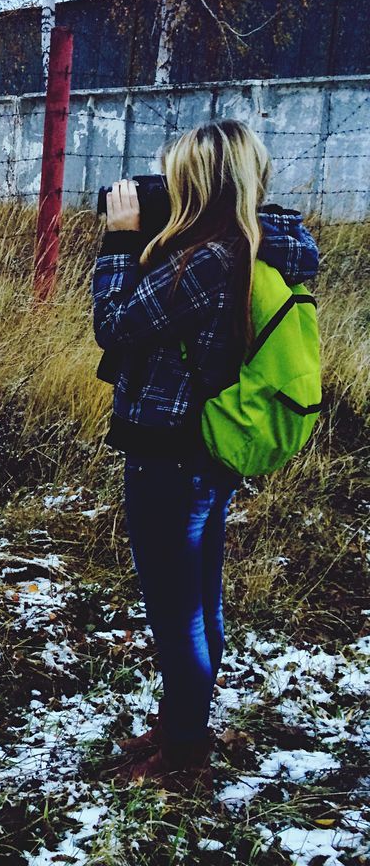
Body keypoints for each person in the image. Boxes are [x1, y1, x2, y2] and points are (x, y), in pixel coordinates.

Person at [91, 118, 319, 790]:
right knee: (198, 597)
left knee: (176, 608)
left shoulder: (210, 259)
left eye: (176, 173)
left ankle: (185, 747)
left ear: (199, 183)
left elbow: (116, 325)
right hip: (206, 451)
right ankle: (184, 721)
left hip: (171, 452)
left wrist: (117, 242)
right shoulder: (253, 242)